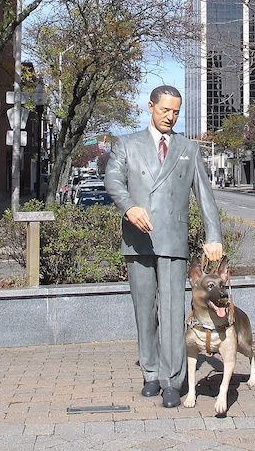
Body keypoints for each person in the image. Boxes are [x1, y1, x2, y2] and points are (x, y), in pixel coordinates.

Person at [104, 85, 223, 408]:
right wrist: (129, 207)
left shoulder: (189, 148)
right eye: (164, 110)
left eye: (175, 112)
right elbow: (113, 180)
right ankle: (151, 373)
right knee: (144, 311)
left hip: (172, 238)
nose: (170, 117)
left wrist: (214, 235)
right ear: (150, 107)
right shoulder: (126, 144)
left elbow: (205, 196)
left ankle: (173, 380)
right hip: (137, 238)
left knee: (172, 311)